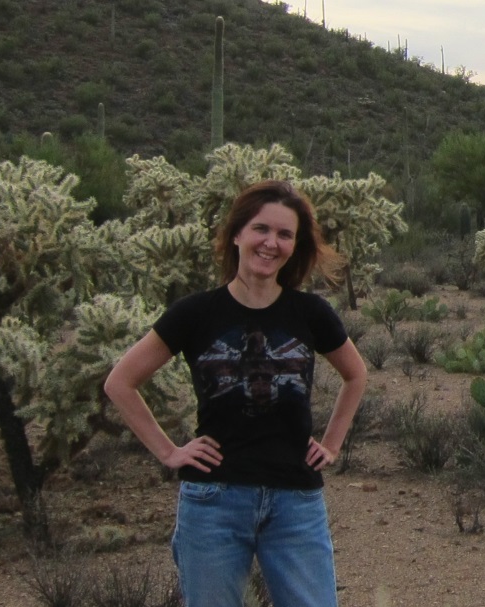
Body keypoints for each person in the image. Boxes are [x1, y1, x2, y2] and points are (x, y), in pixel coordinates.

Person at [105, 179, 368, 607]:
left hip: (295, 499)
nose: (271, 243)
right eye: (262, 229)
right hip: (214, 500)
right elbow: (120, 382)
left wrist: (333, 443)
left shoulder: (311, 313)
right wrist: (169, 451)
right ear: (237, 234)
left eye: (285, 234)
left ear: (295, 246)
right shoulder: (195, 313)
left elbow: (355, 376)